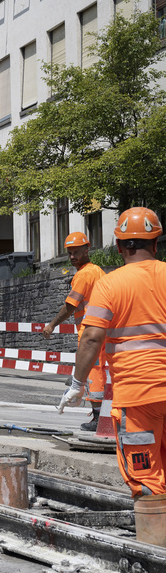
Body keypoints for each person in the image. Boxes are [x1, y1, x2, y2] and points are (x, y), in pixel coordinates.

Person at [62, 207, 166, 544]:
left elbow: (91, 337)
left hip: (138, 399)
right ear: (157, 243)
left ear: (119, 247)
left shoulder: (109, 284)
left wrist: (78, 384)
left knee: (145, 474)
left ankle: (156, 556)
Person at [43, 232, 106, 431]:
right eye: (70, 253)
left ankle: (98, 418)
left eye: (76, 252)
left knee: (94, 372)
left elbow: (71, 306)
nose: (72, 257)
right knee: (102, 372)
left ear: (87, 249)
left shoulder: (84, 275)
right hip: (103, 329)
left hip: (90, 332)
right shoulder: (97, 271)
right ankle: (103, 415)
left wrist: (52, 324)